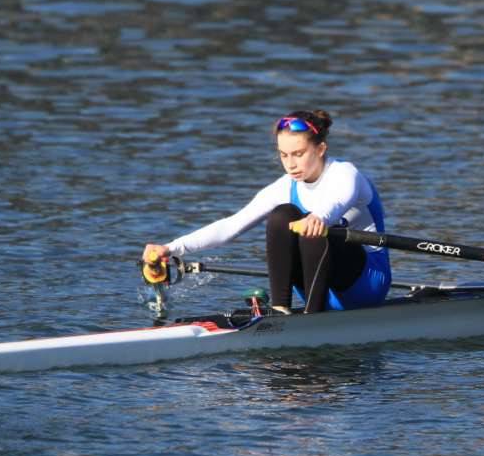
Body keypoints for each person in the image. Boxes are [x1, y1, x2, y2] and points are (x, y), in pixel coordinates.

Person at [142, 110, 391, 314]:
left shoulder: (346, 174)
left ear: (321, 149)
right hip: (315, 282)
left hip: (366, 284)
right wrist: (171, 248)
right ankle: (280, 308)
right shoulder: (286, 186)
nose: (290, 164)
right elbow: (231, 226)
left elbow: (336, 202)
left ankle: (313, 320)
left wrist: (319, 218)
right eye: (284, 155)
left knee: (316, 230)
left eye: (299, 154)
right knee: (282, 215)